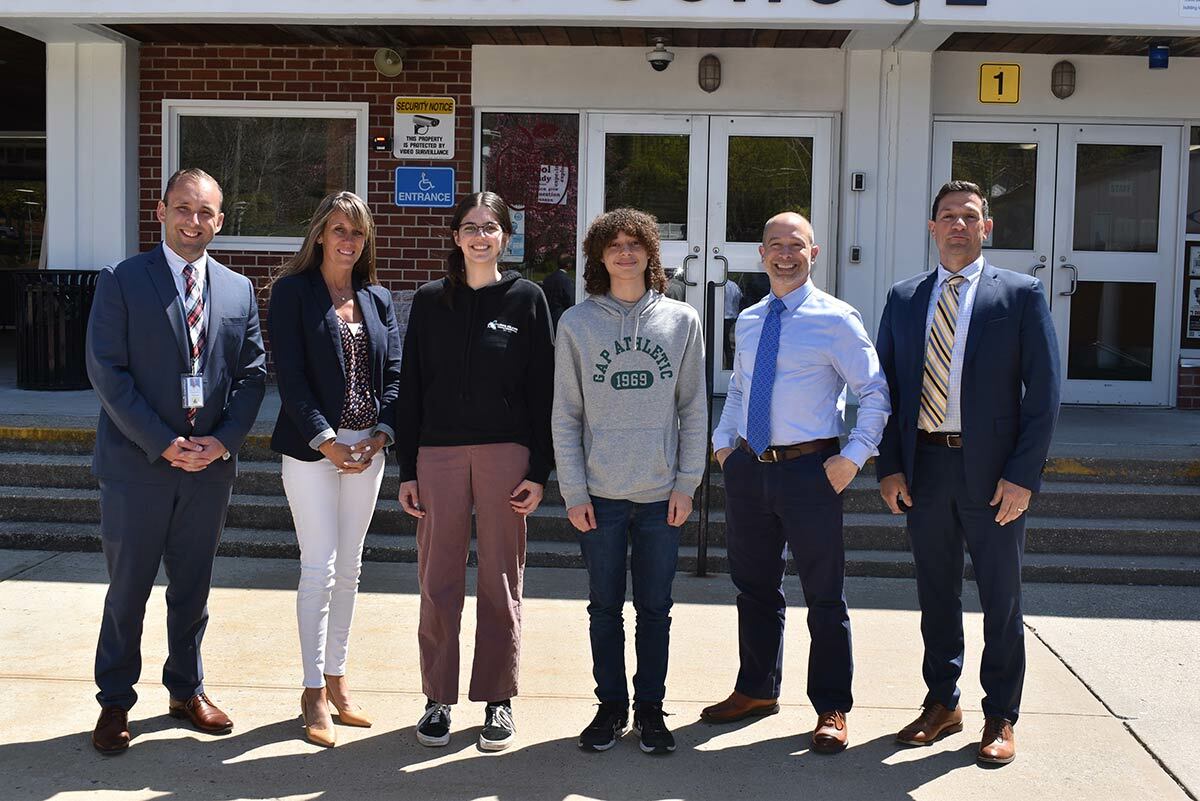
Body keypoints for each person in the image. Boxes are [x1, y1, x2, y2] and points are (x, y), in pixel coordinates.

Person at [875, 180, 1060, 765]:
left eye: (969, 216)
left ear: (987, 228)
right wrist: (890, 467)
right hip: (924, 466)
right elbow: (887, 391)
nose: (958, 225)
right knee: (936, 593)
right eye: (947, 216)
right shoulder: (905, 298)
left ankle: (1001, 715)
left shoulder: (1021, 295)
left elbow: (1045, 395)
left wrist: (1022, 475)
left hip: (993, 474)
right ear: (932, 228)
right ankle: (941, 701)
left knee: (1001, 598)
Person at [85, 167, 266, 754]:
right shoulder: (122, 279)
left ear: (221, 219)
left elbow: (252, 374)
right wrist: (161, 441)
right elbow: (106, 371)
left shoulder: (237, 289)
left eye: (206, 211)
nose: (194, 221)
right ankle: (115, 702)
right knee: (128, 589)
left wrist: (224, 441)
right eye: (183, 208)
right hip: (139, 465)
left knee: (192, 588)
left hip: (209, 469)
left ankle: (186, 690)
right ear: (160, 211)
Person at [703, 212, 889, 755]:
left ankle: (832, 706)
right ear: (761, 254)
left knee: (824, 595)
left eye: (796, 245)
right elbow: (738, 389)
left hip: (812, 473)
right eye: (775, 245)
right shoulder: (752, 318)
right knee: (754, 589)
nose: (785, 254)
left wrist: (853, 457)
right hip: (750, 469)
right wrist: (723, 446)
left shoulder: (837, 319)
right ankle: (756, 689)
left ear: (815, 252)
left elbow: (875, 394)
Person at [396, 191, 555, 752]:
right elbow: (410, 387)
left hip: (504, 454)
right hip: (437, 454)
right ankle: (437, 698)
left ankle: (497, 700)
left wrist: (540, 468)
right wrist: (407, 467)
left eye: (491, 226)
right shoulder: (429, 300)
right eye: (470, 227)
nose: (480, 236)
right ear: (456, 237)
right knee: (437, 580)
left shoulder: (527, 300)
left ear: (506, 237)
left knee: (500, 578)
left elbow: (543, 392)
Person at [552, 208, 706, 755]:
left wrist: (687, 483)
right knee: (603, 607)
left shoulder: (682, 321)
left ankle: (650, 710)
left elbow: (693, 407)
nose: (624, 252)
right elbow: (565, 415)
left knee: (656, 610)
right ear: (599, 255)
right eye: (613, 244)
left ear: (649, 253)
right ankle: (610, 708)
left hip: (662, 494)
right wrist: (573, 491)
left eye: (634, 243)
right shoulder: (576, 324)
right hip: (599, 496)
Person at [267, 191, 402, 748]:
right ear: (320, 234)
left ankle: (339, 681)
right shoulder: (292, 293)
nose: (348, 240)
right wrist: (327, 442)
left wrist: (380, 434)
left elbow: (394, 373)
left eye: (357, 232)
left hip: (366, 451)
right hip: (310, 450)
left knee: (350, 569)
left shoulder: (377, 297)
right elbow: (291, 378)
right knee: (317, 569)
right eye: (338, 229)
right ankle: (311, 691)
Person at [542, 253, 576, 330]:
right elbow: (570, 299)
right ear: (569, 264)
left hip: (548, 316)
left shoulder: (548, 278)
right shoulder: (566, 280)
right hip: (561, 317)